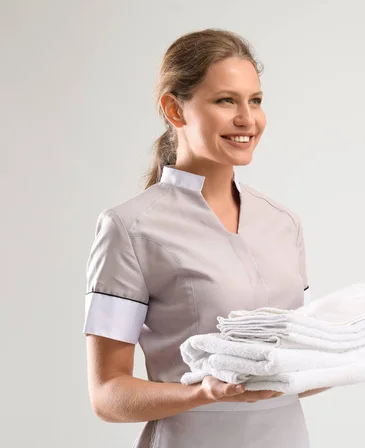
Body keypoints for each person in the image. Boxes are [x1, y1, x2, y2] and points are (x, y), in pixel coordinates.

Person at [82, 29, 331, 448]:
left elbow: (290, 372)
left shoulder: (282, 223)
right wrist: (201, 393)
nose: (247, 119)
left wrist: (364, 359)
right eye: (225, 100)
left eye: (255, 100)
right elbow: (107, 395)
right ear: (174, 110)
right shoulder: (130, 228)